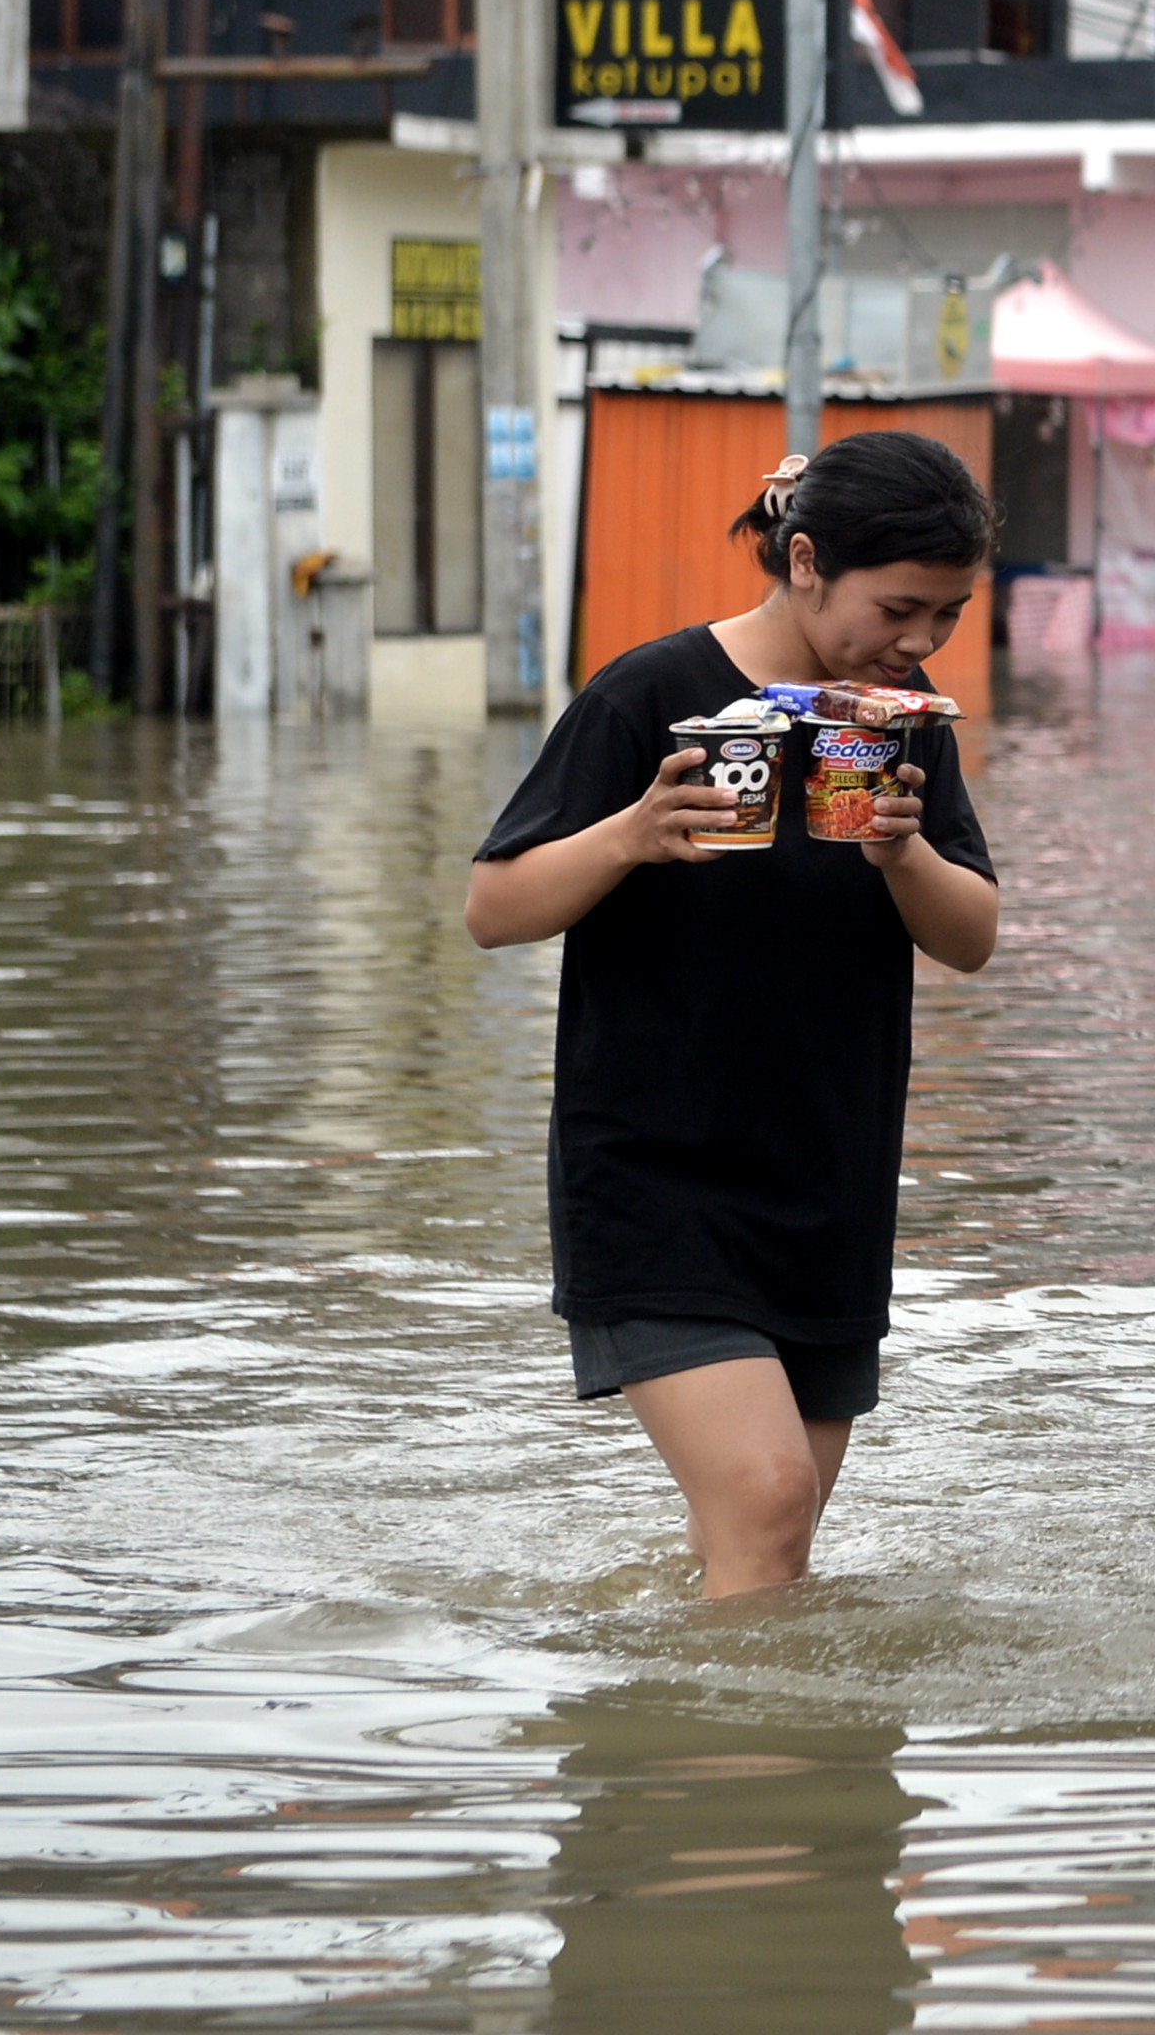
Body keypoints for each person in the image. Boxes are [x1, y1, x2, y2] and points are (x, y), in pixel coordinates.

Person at [466, 431, 1000, 1598]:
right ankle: (745, 1772)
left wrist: (902, 854)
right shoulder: (648, 695)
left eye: (947, 617)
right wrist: (632, 834)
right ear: (803, 559)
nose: (917, 644)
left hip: (827, 1180)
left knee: (767, 1539)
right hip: (658, 1177)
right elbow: (492, 907)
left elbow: (972, 936)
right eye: (899, 608)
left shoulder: (903, 724)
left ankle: (678, 1754)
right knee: (765, 1496)